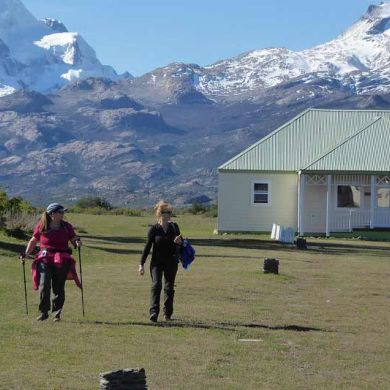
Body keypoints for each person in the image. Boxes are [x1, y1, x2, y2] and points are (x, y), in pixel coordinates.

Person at [21, 203, 82, 321]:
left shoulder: (66, 226)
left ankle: (56, 314)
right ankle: (44, 312)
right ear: (52, 214)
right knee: (44, 285)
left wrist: (77, 242)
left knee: (59, 287)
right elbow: (33, 241)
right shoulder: (41, 226)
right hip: (45, 259)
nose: (63, 214)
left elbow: (73, 238)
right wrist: (26, 253)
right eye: (61, 212)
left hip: (62, 259)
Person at [139, 201, 183, 322]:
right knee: (156, 285)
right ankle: (153, 312)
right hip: (156, 262)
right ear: (160, 214)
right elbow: (147, 247)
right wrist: (141, 264)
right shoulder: (154, 229)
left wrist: (180, 242)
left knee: (169, 287)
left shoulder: (174, 227)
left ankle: (167, 314)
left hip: (171, 261)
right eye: (167, 212)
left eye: (170, 212)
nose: (169, 214)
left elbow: (181, 242)